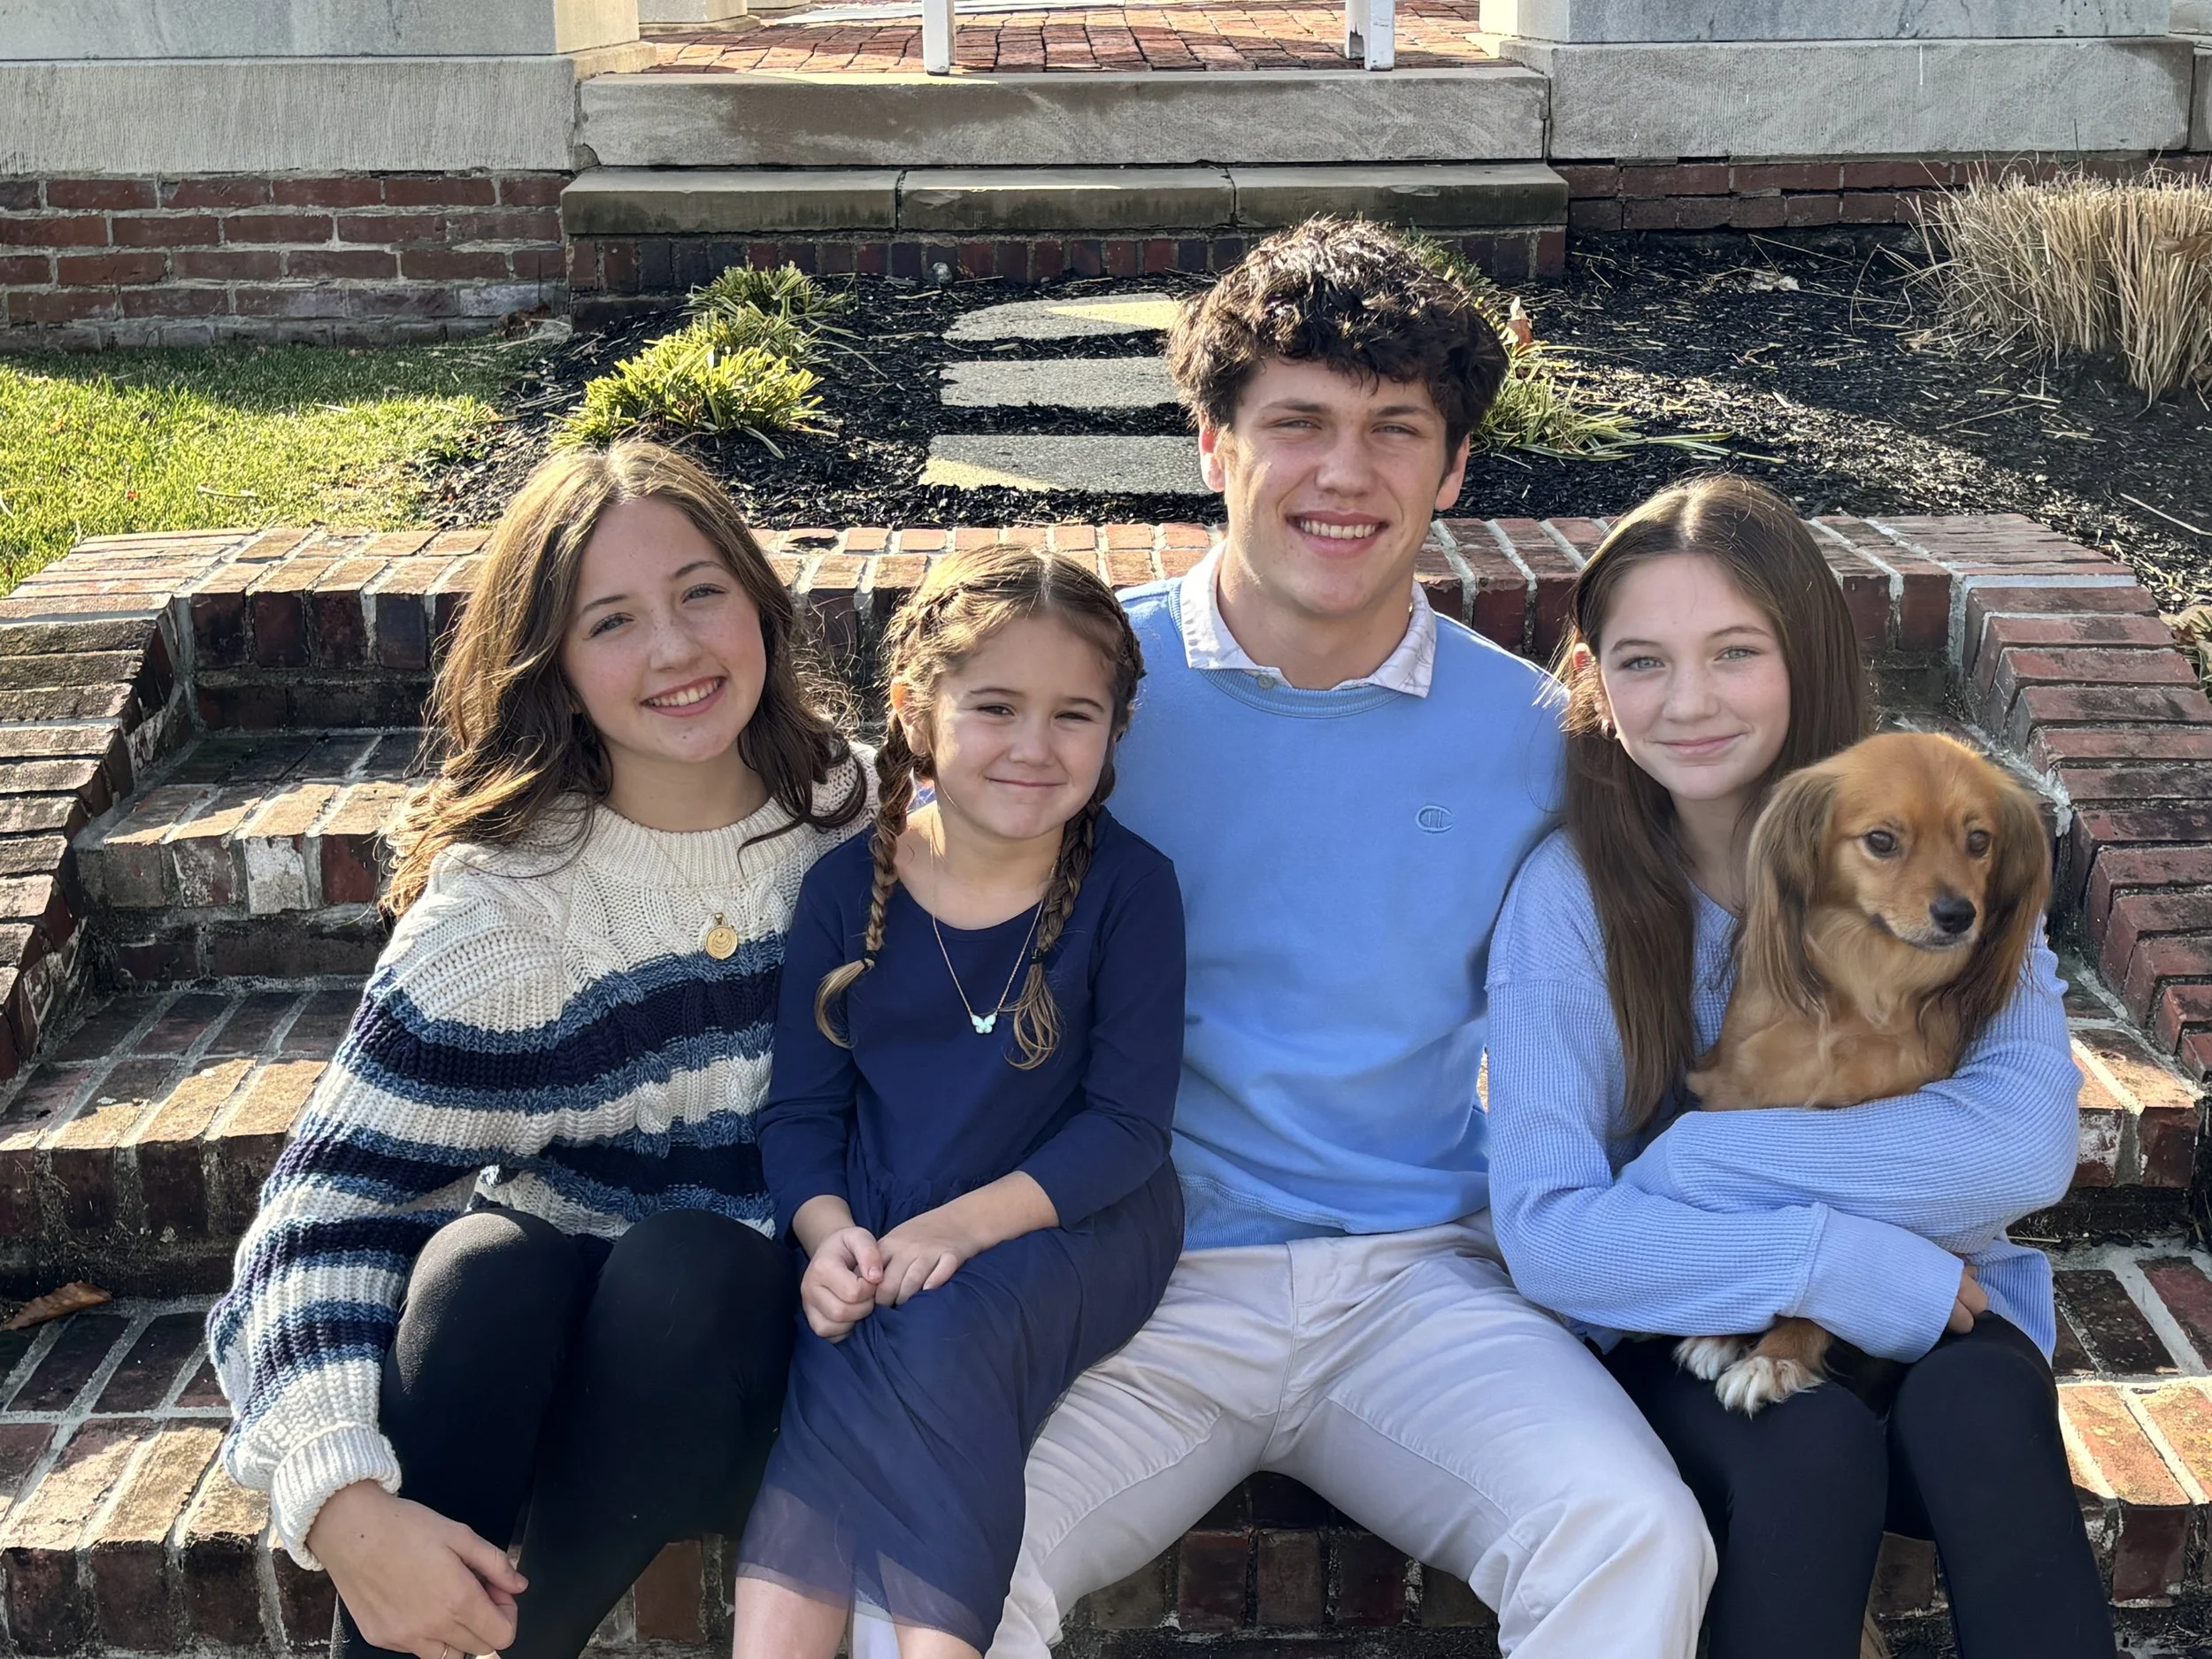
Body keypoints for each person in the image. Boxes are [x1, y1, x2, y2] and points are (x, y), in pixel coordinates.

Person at [987, 218, 1714, 1659]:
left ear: (1452, 471)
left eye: (1396, 430)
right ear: (1211, 444)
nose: (1344, 471)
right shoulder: (1081, 703)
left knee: (1633, 1535)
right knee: (937, 1553)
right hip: (1140, 1283)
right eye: (1297, 422)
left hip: (1417, 1282)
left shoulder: (1529, 736)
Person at [205, 441, 870, 1659]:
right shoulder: (509, 921)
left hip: (789, 1382)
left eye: (701, 591)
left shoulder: (875, 836)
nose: (674, 648)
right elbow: (317, 1216)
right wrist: (349, 1513)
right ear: (555, 669)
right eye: (611, 621)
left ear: (760, 602)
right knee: (478, 1265)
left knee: (691, 1266)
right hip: (563, 1379)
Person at [1485, 473, 2113, 1659]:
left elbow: (2023, 1143)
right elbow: (1553, 1232)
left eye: (1734, 652)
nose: (1689, 702)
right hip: (1693, 1319)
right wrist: (1841, 1256)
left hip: (1942, 1314)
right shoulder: (1572, 902)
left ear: (1809, 651)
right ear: (1597, 685)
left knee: (1982, 1404)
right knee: (1806, 1444)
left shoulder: (1938, 836)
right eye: (1642, 661)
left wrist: (1703, 1158)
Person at [733, 545, 1186, 1659]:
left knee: (938, 1321)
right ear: (917, 713)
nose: (1034, 747)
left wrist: (958, 1229)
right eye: (994, 707)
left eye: (1074, 715)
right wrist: (828, 1239)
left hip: (1067, 1211)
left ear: (1113, 731)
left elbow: (1127, 1129)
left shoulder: (1130, 890)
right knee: (847, 1321)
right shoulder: (847, 891)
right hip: (886, 1201)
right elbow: (800, 1116)